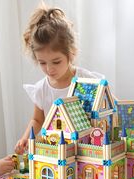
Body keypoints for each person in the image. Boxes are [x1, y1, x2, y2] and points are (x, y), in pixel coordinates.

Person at [15, 4, 105, 154]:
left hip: (86, 150)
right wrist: (26, 138)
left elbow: (113, 105)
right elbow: (37, 120)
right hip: (56, 151)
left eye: (56, 62)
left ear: (71, 53)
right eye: (42, 63)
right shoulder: (41, 88)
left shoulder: (86, 80)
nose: (49, 69)